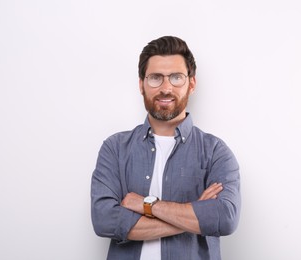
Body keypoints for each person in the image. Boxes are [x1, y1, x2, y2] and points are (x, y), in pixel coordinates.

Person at [90, 36, 241, 260]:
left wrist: (145, 205)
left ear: (191, 84)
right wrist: (195, 212)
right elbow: (104, 220)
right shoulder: (115, 149)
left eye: (176, 77)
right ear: (141, 84)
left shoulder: (215, 152)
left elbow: (224, 218)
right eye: (155, 78)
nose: (166, 88)